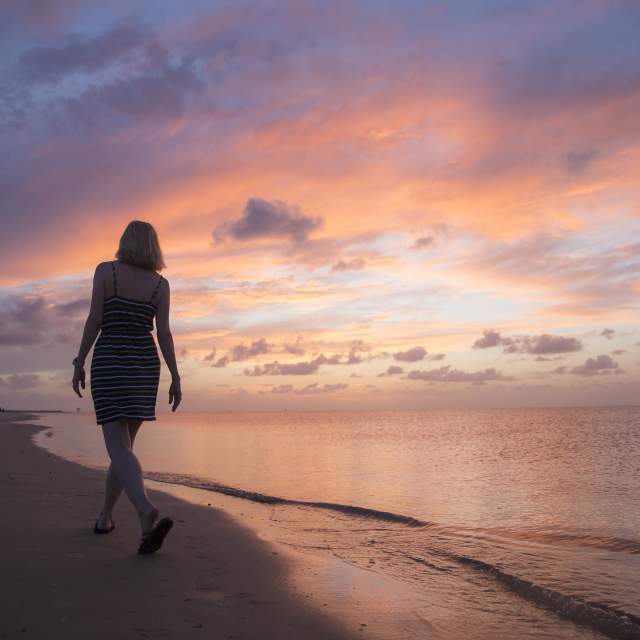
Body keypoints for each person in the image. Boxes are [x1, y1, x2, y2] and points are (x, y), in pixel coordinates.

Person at [71, 221, 182, 554]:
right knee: (124, 451)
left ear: (124, 242)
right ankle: (104, 518)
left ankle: (145, 510)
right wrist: (176, 376)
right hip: (144, 365)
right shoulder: (160, 285)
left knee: (119, 449)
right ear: (153, 247)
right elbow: (163, 334)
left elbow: (95, 320)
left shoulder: (107, 271)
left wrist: (79, 361)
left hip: (110, 361)